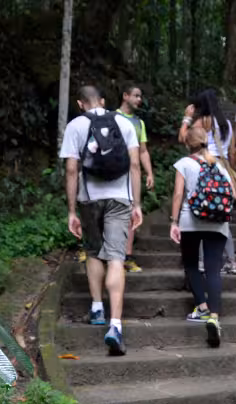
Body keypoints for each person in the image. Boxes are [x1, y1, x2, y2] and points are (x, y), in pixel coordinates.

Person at [60, 85, 142, 356]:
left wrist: (72, 211)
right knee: (116, 256)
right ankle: (115, 326)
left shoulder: (75, 125)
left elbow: (72, 169)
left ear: (80, 103)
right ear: (104, 101)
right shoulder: (124, 122)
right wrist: (137, 204)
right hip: (120, 198)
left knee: (94, 251)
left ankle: (97, 307)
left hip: (88, 198)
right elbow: (134, 165)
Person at [170, 127, 236, 348]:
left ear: (188, 144)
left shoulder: (184, 163)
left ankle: (202, 307)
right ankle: (214, 317)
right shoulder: (218, 164)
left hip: (191, 220)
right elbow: (233, 194)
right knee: (213, 269)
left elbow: (178, 194)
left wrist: (174, 221)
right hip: (217, 223)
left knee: (190, 264)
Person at [179, 89, 236, 275]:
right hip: (222, 167)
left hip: (203, 165)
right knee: (221, 215)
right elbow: (232, 151)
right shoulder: (227, 124)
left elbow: (183, 138)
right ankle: (231, 261)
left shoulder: (202, 121)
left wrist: (186, 119)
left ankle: (201, 261)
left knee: (201, 211)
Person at [116, 82, 155, 273]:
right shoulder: (111, 117)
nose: (139, 99)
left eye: (140, 96)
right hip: (111, 174)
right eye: (136, 95)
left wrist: (149, 172)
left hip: (132, 176)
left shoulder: (139, 123)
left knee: (132, 214)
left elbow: (143, 151)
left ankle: (127, 256)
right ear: (125, 96)